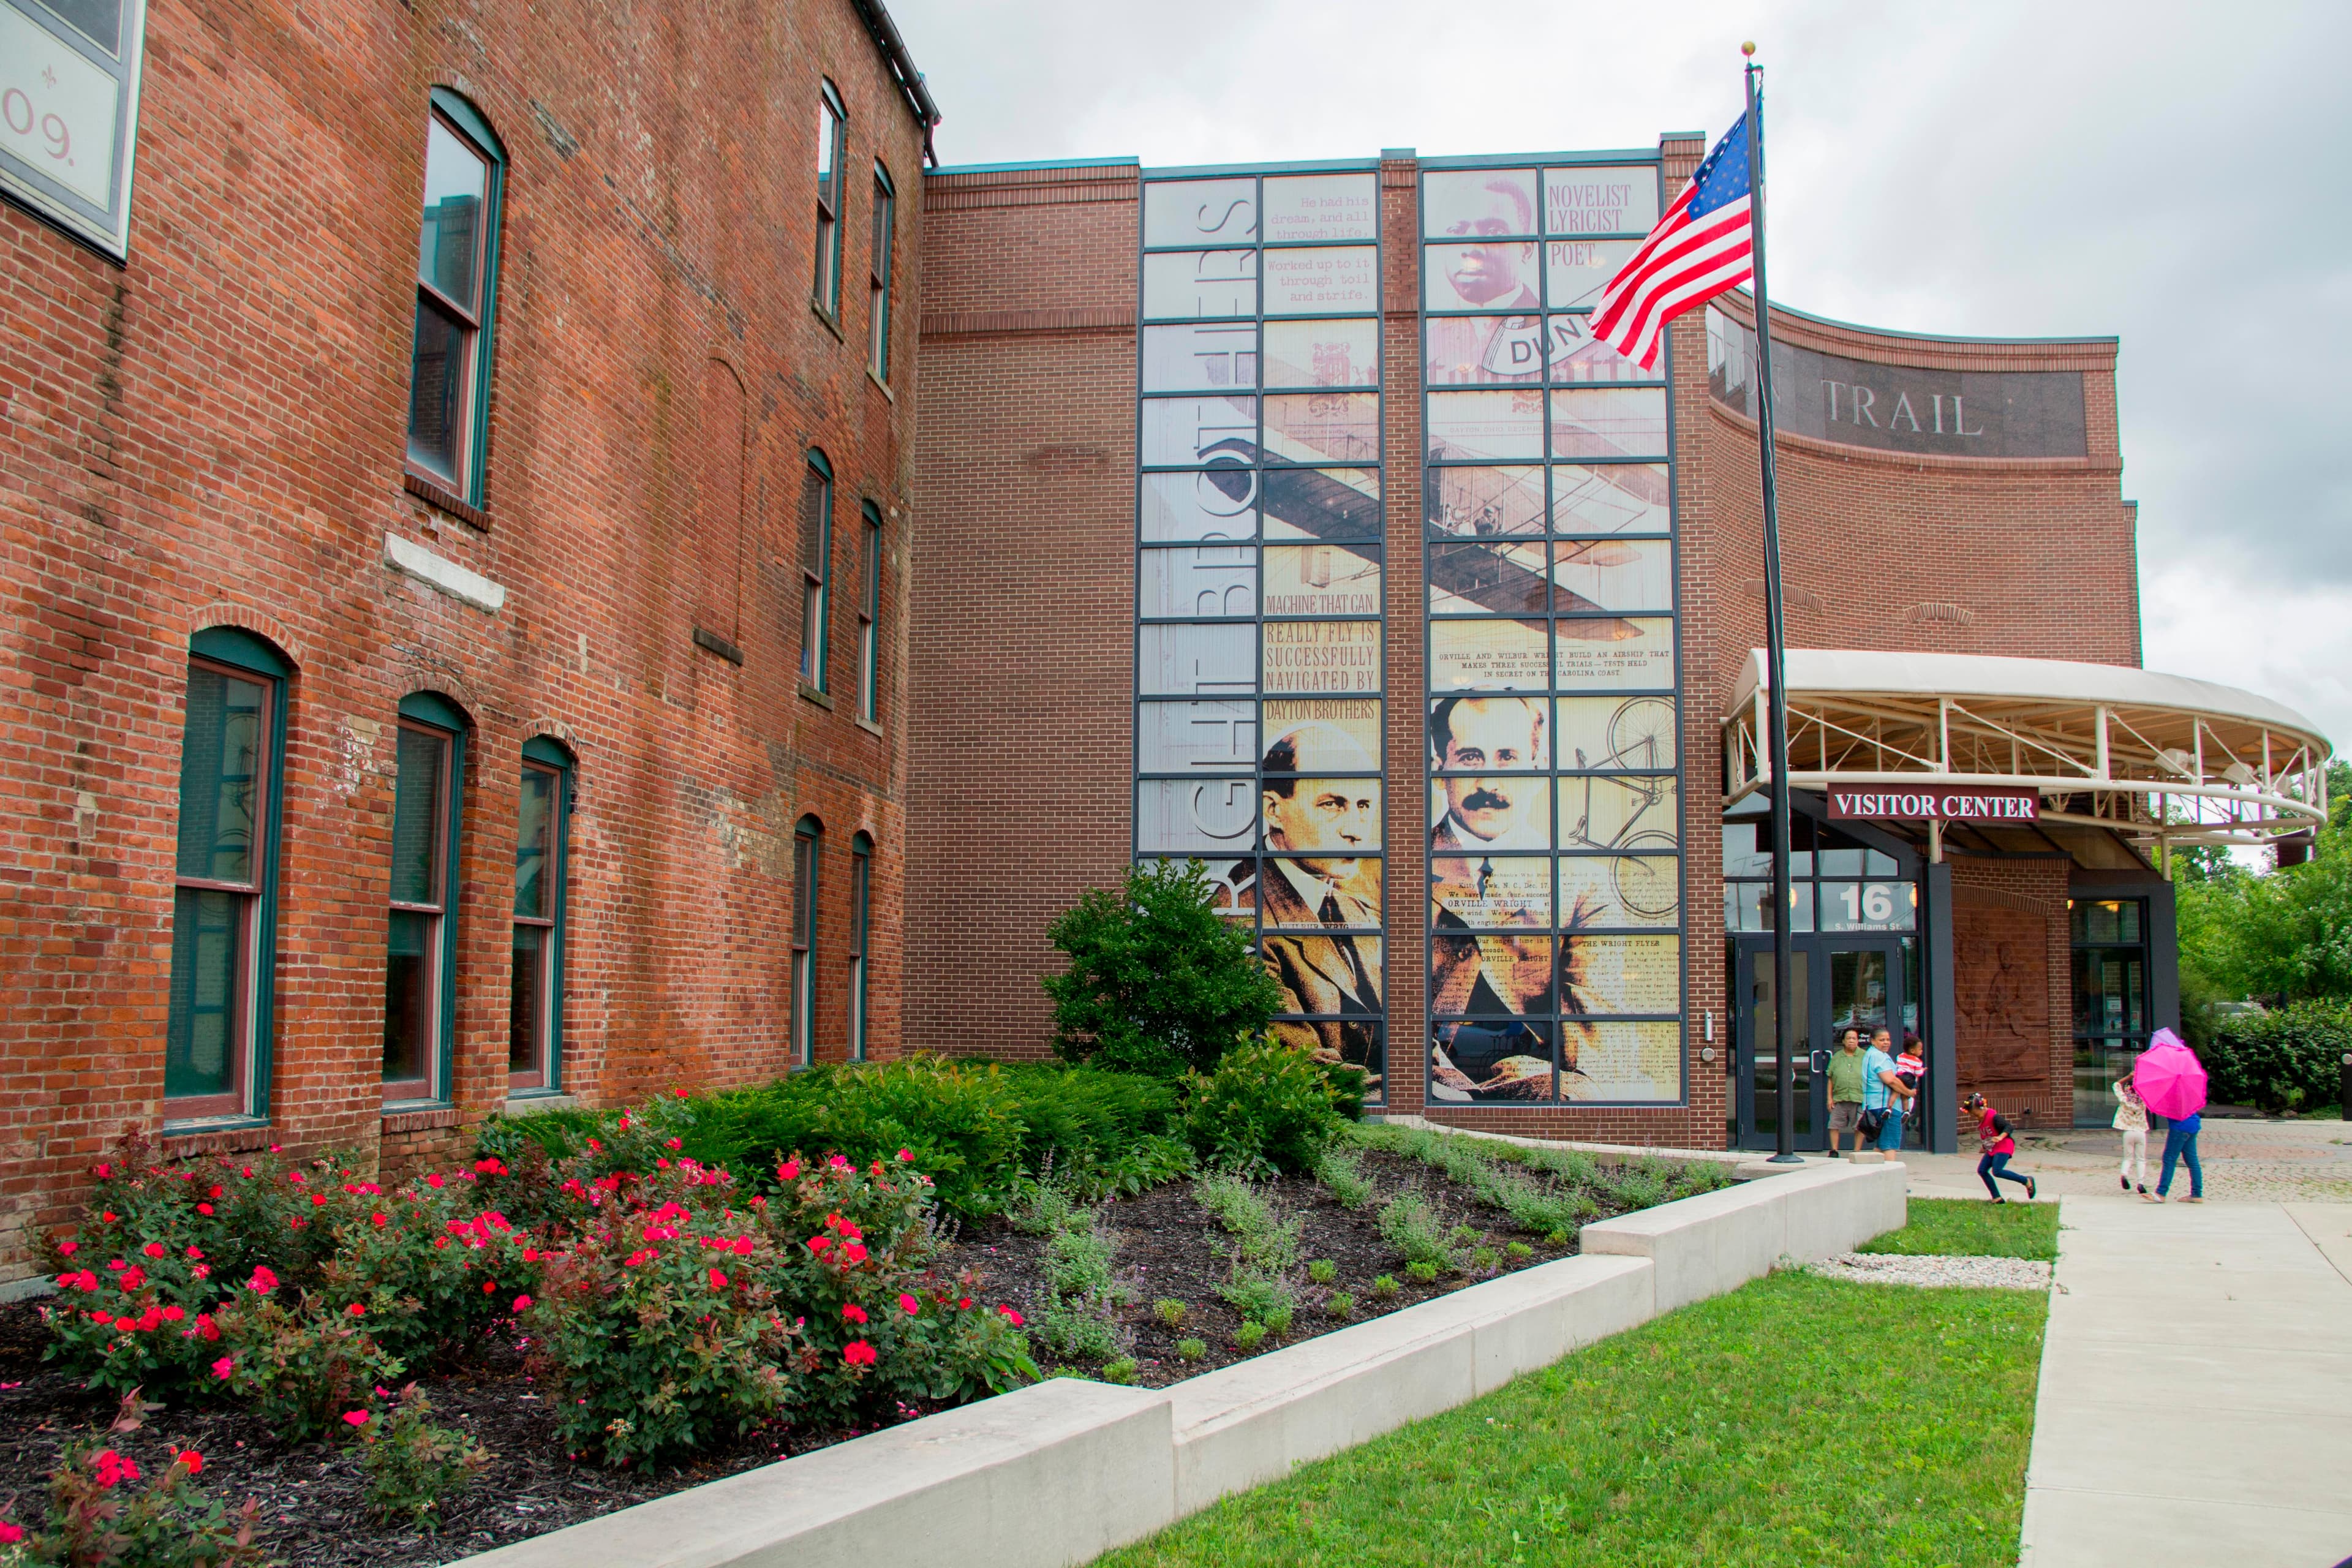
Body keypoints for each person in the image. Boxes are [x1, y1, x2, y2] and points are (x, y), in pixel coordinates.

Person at [1234, 723, 1382, 1092]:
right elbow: (1300, 1068)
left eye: (1364, 806)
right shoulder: (1239, 917)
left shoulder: (1359, 913)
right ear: (1273, 810)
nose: (1356, 831)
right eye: (1332, 805)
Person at [1428, 696, 1550, 851]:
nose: (1487, 785)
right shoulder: (1414, 858)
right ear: (1439, 774)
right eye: (1470, 758)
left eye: (1507, 758)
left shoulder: (1568, 870)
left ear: (1538, 772)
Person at [1966, 1092, 2036, 1202]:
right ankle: (1996, 1197)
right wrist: (1985, 1146)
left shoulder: (1994, 1117)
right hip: (1993, 1148)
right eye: (1972, 1115)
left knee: (1997, 1171)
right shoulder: (1982, 1119)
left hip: (2004, 1146)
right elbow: (1988, 1135)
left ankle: (2026, 1180)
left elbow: (2009, 1127)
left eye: (1976, 1114)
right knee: (1982, 1170)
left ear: (1983, 1108)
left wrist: (2000, 1137)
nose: (1975, 1117)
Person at [1862, 1027, 1911, 1160]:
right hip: (1885, 1107)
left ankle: (1870, 1174)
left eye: (1888, 1040)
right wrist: (1909, 1092)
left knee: (1881, 1145)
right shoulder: (1879, 1056)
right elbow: (1890, 1080)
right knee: (1890, 1145)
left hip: (1873, 1104)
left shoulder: (1870, 1054)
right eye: (1882, 1040)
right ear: (1873, 1041)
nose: (1886, 1043)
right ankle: (1890, 1178)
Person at [1825, 1027, 1866, 1159]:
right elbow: (1830, 1078)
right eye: (1848, 1038)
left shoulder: (1865, 1056)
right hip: (1840, 1098)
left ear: (1858, 1041)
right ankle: (1834, 1150)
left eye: (1854, 1038)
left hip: (1859, 1097)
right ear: (1843, 1041)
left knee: (1859, 1126)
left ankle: (1857, 1151)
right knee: (1834, 1124)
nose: (1851, 1041)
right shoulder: (1837, 1057)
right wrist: (1830, 1098)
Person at [2154, 1104, 2203, 1204]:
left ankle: (2161, 1193)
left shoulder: (2173, 1095)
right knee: (2192, 1161)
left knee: (2169, 1158)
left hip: (2180, 1127)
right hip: (2193, 1124)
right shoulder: (2187, 1094)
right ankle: (2197, 1194)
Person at [2113, 1073, 2151, 1196]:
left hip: (2128, 1132)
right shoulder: (2143, 1100)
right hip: (2141, 1132)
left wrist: (2129, 1076)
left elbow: (2116, 1085)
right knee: (2141, 1159)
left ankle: (2124, 1174)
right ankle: (2140, 1183)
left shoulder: (2125, 1100)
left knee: (2128, 1157)